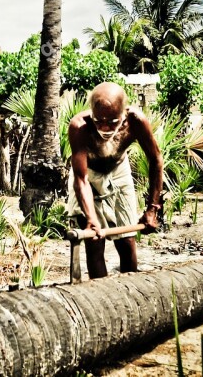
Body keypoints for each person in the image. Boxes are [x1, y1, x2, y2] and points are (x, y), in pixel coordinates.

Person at [66, 81, 164, 279]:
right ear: (91, 112)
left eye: (112, 122)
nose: (104, 127)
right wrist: (92, 219)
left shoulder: (136, 120)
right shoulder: (79, 127)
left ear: (124, 113)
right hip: (88, 175)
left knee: (127, 242)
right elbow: (81, 179)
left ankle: (130, 292)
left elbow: (156, 159)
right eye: (99, 120)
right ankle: (101, 297)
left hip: (119, 171)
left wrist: (152, 208)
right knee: (94, 242)